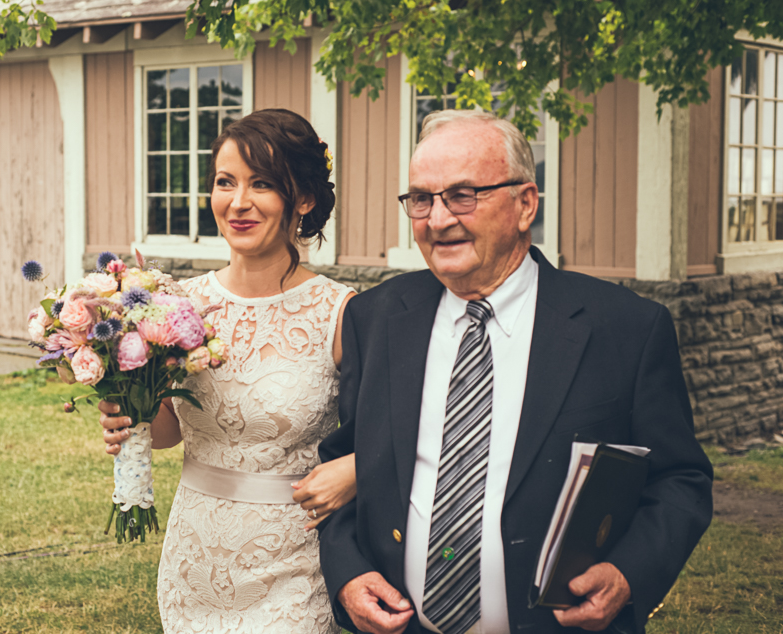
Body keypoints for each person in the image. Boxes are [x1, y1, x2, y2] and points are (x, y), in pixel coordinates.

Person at [317, 109, 713, 634]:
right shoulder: (376, 319)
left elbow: (681, 479)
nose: (437, 220)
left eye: (463, 195)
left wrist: (627, 573)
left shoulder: (626, 328)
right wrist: (348, 573)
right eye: (421, 199)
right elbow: (346, 469)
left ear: (525, 204)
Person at [99, 108, 357, 633]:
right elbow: (169, 433)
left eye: (262, 184)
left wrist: (357, 470)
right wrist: (126, 406)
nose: (238, 202)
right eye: (225, 182)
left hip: (295, 565)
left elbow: (385, 436)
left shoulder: (340, 312)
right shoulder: (177, 304)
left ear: (303, 198)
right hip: (194, 557)